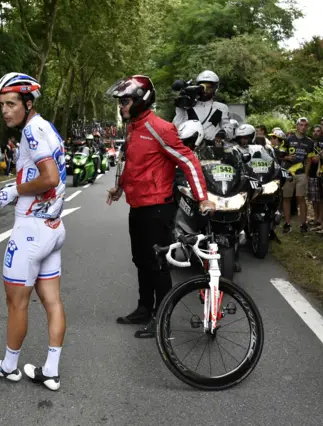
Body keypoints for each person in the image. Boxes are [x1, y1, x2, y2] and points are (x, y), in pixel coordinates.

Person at [105, 75, 214, 338]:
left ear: (142, 100)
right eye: (120, 101)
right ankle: (144, 308)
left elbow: (187, 161)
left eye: (125, 101)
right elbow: (132, 164)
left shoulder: (160, 128)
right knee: (141, 260)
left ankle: (162, 316)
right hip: (138, 206)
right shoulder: (132, 128)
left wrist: (202, 198)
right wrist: (119, 188)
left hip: (158, 208)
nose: (121, 106)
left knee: (157, 265)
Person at [0, 72, 68, 391]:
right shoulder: (47, 127)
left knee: (16, 302)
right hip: (54, 227)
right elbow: (55, 175)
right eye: (2, 105)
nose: (5, 110)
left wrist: (15, 190)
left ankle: (8, 367)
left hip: (31, 232)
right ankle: (50, 370)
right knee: (53, 302)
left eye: (11, 103)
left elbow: (48, 177)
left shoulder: (31, 131)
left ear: (28, 103)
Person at [173, 70, 232, 142]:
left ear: (215, 89)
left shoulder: (220, 108)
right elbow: (176, 128)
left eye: (209, 88)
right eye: (203, 87)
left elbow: (229, 130)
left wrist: (223, 133)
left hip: (212, 147)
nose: (205, 91)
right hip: (191, 147)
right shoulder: (188, 106)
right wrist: (180, 106)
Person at [279, 117, 314, 233]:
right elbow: (280, 154)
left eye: (305, 125)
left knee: (301, 198)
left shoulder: (310, 142)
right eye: (301, 125)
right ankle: (287, 223)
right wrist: (287, 157)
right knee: (287, 197)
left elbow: (309, 160)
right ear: (297, 125)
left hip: (301, 174)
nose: (303, 127)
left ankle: (303, 224)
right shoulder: (288, 139)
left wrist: (306, 174)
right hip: (288, 173)